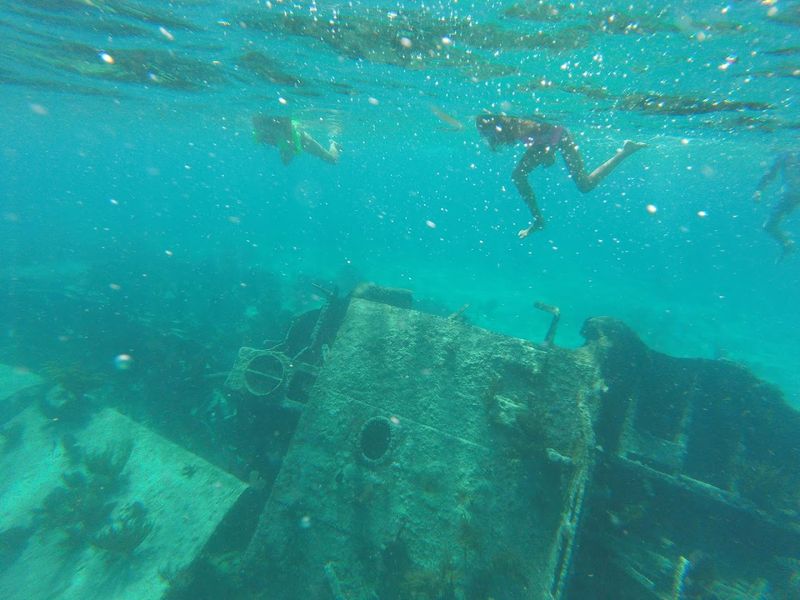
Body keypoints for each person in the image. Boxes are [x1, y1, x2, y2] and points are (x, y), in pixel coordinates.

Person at [476, 113, 647, 239]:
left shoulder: (517, 123)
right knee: (518, 176)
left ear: (497, 126)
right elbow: (537, 138)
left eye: (489, 134)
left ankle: (626, 151)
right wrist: (545, 151)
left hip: (561, 139)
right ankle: (538, 220)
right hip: (544, 144)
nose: (491, 139)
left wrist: (549, 150)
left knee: (585, 185)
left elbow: (556, 129)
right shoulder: (511, 128)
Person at [753, 150, 800, 258]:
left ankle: (787, 245)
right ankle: (787, 244)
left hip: (790, 194)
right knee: (769, 226)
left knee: (769, 226)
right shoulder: (785, 153)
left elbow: (770, 174)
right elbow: (770, 174)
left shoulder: (786, 153)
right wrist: (759, 190)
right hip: (790, 195)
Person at [253, 114, 340, 165]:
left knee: (332, 160)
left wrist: (288, 149)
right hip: (287, 138)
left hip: (303, 140)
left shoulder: (287, 135)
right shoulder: (261, 128)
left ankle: (334, 144)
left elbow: (287, 158)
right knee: (286, 161)